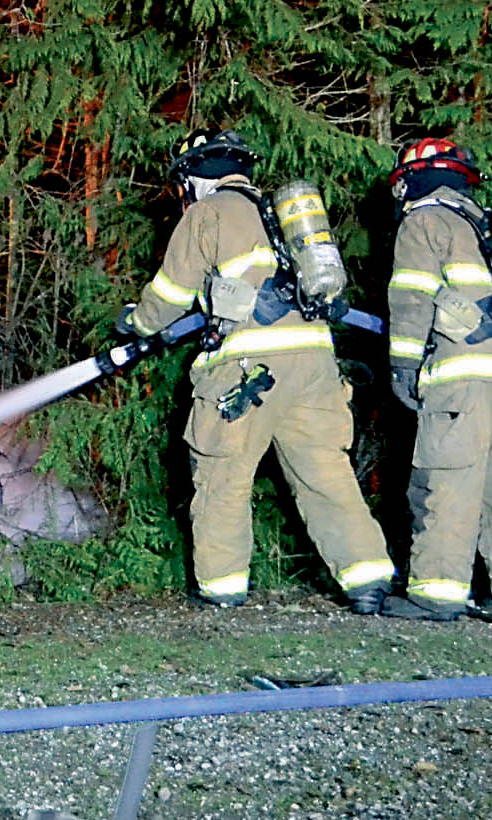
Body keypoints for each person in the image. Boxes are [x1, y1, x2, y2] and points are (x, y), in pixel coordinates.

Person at [126, 130, 394, 613]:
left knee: (223, 475)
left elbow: (169, 295)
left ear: (191, 177)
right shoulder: (281, 218)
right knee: (326, 474)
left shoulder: (208, 213)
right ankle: (369, 580)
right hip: (315, 365)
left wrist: (136, 322)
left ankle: (223, 589)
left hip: (248, 368)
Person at [382, 137, 492, 621]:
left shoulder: (425, 222)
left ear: (408, 182)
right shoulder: (491, 226)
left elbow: (412, 300)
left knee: (451, 481)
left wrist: (404, 366)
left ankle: (437, 593)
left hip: (465, 378)